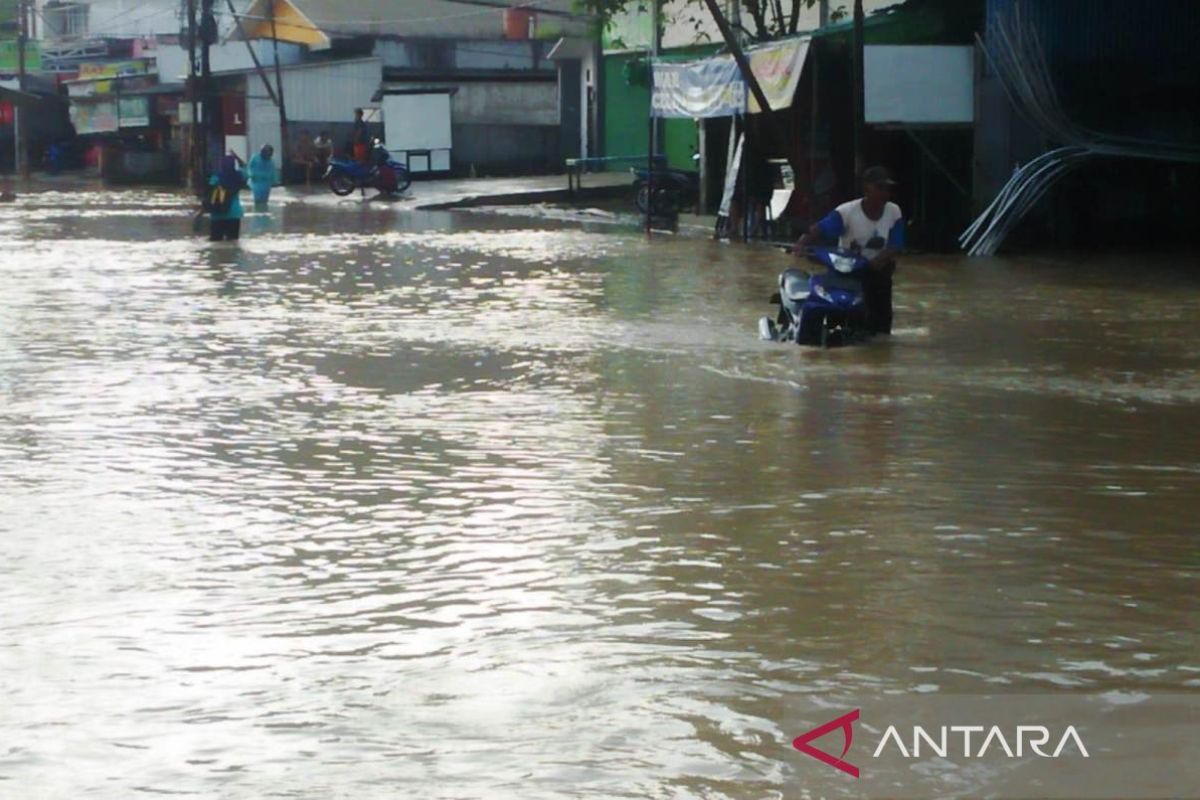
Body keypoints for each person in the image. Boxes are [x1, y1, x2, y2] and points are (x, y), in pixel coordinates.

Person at [795, 166, 905, 334]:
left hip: (878, 272)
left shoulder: (894, 211)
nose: (885, 193)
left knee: (882, 326)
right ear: (867, 188)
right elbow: (819, 229)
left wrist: (876, 262)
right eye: (880, 188)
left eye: (887, 189)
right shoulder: (846, 212)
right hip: (849, 271)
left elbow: (895, 245)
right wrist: (802, 243)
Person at [207, 154, 247, 241]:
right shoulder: (239, 176)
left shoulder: (216, 177)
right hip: (234, 214)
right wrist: (237, 157)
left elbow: (209, 195)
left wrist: (202, 211)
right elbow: (245, 167)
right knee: (233, 243)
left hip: (217, 214)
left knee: (216, 244)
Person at [247, 144, 278, 209]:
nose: (268, 155)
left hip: (266, 183)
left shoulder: (271, 161)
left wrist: (274, 180)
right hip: (256, 182)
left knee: (264, 201)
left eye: (270, 154)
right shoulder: (255, 158)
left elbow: (273, 172)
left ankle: (263, 212)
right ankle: (259, 213)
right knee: (257, 200)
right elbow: (249, 168)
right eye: (266, 152)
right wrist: (250, 175)